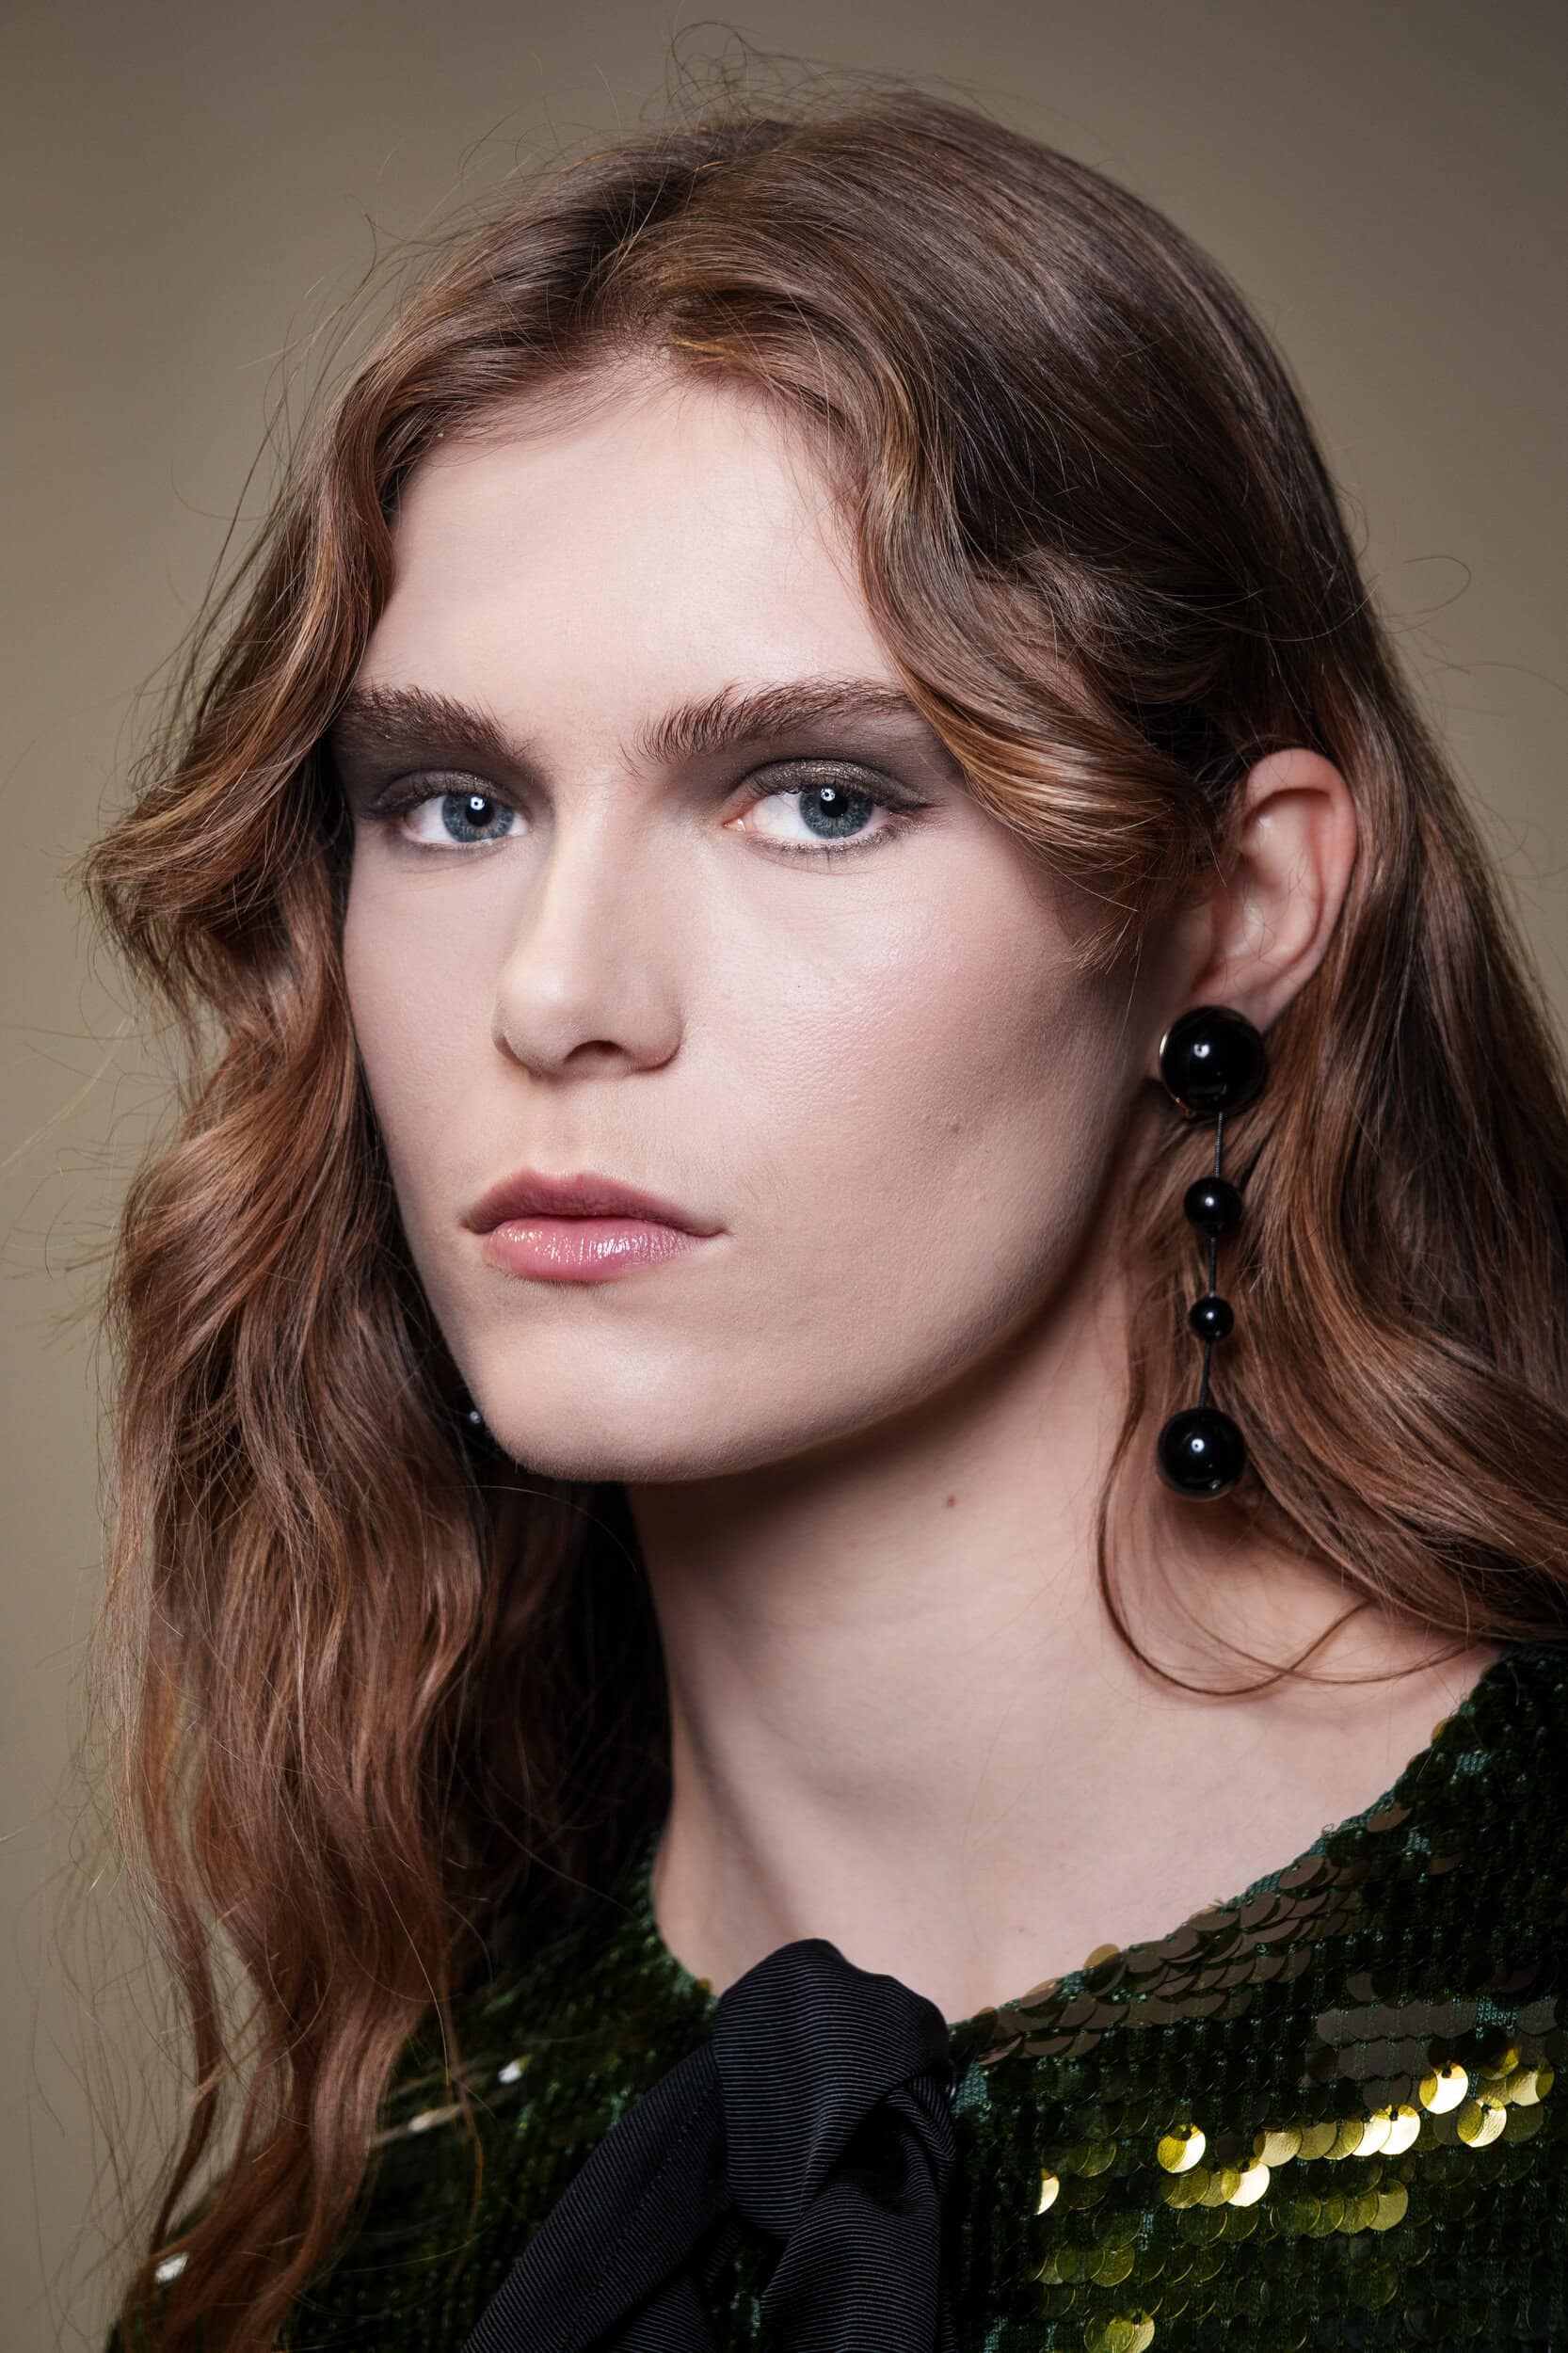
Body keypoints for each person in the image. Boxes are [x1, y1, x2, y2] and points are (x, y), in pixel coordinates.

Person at [86, 80, 1567, 2353]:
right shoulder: (354, 2202)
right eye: (453, 802)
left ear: (1236, 903)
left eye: (815, 795)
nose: (556, 995)